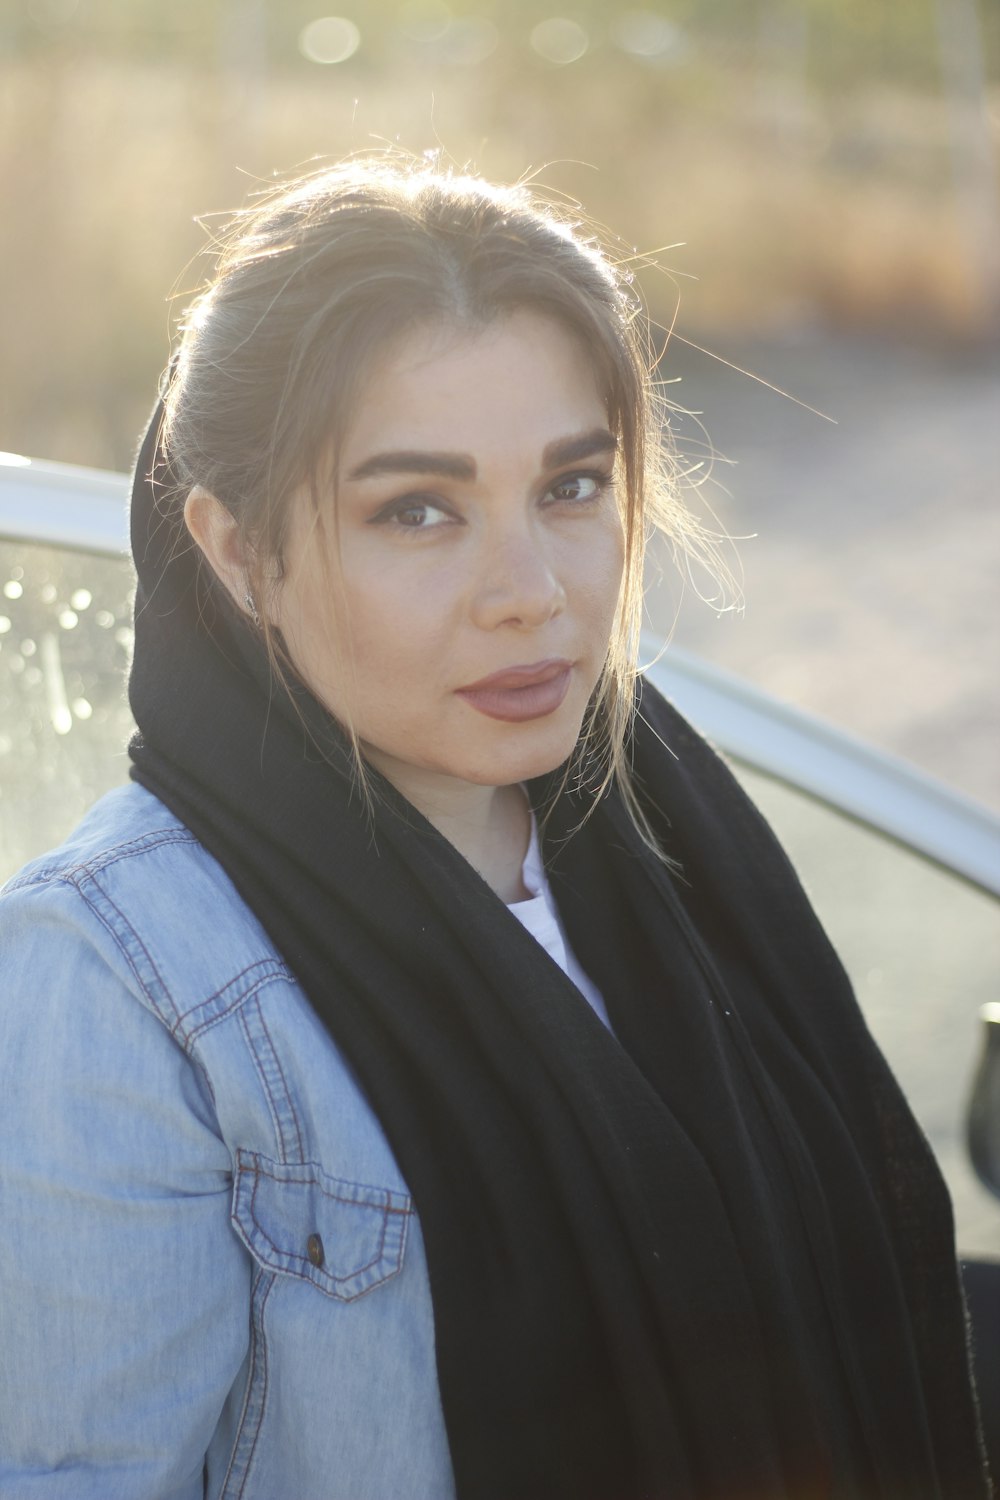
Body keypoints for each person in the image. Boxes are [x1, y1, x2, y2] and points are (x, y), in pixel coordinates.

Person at [0, 156, 990, 1500]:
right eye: (418, 511)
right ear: (239, 555)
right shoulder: (119, 982)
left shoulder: (675, 845)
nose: (530, 592)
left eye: (572, 487)